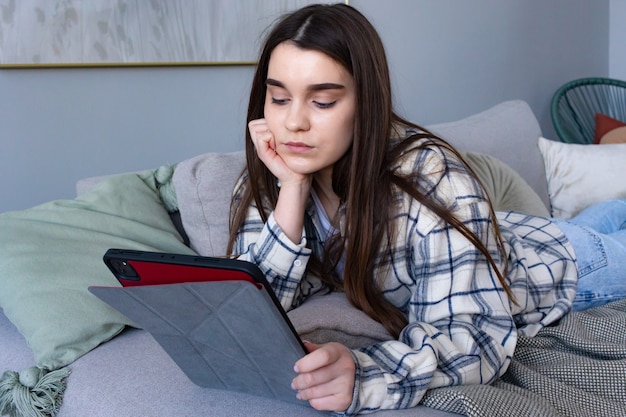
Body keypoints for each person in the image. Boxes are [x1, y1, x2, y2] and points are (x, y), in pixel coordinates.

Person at [225, 3, 626, 415]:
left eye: (322, 102)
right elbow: (249, 307)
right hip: (508, 233)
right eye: (278, 98)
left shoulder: (429, 176)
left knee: (602, 230)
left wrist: (365, 374)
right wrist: (292, 190)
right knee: (609, 212)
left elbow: (475, 338)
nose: (293, 122)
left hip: (567, 262)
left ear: (366, 102)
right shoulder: (273, 173)